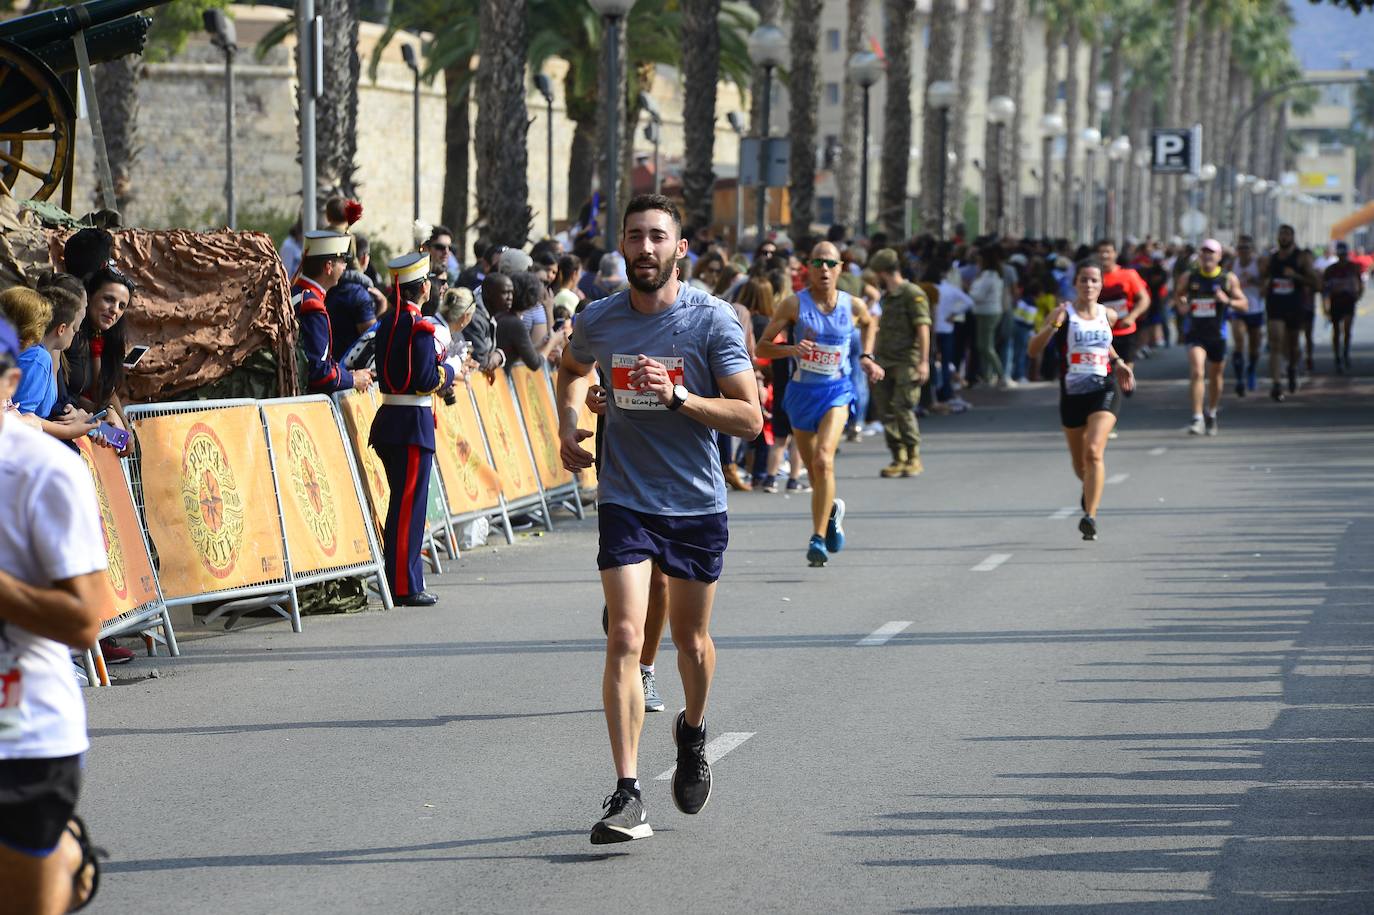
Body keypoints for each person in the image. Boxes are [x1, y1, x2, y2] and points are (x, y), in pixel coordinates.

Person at [555, 194, 760, 844]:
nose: (645, 249)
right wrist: (570, 423)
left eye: (657, 238)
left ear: (680, 250)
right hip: (625, 497)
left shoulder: (711, 321)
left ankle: (692, 729)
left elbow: (750, 418)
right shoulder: (601, 318)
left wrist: (679, 396)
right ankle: (627, 790)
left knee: (690, 643)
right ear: (621, 244)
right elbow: (570, 369)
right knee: (623, 633)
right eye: (635, 236)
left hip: (696, 501)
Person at [0, 315, 112, 914]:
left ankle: (62, 859)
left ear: (9, 383)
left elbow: (82, 619)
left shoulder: (44, 472)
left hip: (19, 731)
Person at [755, 241, 883, 567]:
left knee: (824, 460)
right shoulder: (793, 305)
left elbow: (870, 322)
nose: (823, 269)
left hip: (837, 392)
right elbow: (763, 347)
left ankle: (817, 538)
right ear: (808, 269)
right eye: (817, 263)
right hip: (801, 395)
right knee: (814, 471)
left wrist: (866, 356)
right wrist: (791, 351)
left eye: (829, 263)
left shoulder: (852, 306)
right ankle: (831, 514)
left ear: (840, 268)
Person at [369, 253, 463, 607]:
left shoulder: (388, 322)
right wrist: (450, 369)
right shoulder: (418, 326)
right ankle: (405, 585)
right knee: (409, 506)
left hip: (391, 419)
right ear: (423, 287)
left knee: (401, 504)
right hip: (412, 424)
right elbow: (424, 379)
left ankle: (399, 579)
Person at [1027, 261, 1136, 542]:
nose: (1089, 285)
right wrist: (1052, 326)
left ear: (1101, 286)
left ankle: (1091, 516)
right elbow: (1032, 350)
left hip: (1104, 388)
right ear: (1075, 284)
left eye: (1094, 281)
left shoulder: (1108, 314)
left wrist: (1119, 363)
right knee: (1080, 465)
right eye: (1084, 280)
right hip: (1073, 394)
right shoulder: (1063, 313)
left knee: (1094, 451)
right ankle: (1089, 486)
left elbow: (1104, 344)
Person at [868, 248, 931, 478]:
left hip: (907, 360)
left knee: (903, 408)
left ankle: (914, 456)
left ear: (883, 272)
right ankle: (898, 456)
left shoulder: (912, 293)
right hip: (885, 360)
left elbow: (923, 328)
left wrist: (924, 362)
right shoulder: (885, 298)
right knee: (886, 410)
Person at [1175, 239, 1246, 436]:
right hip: (1195, 333)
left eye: (1212, 253)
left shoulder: (1227, 279)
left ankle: (1212, 412)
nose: (1207, 256)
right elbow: (1178, 297)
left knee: (1216, 375)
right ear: (1199, 255)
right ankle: (1197, 417)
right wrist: (1182, 305)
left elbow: (1244, 304)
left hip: (1218, 334)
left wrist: (1227, 300)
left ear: (1219, 256)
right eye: (1204, 252)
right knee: (1197, 370)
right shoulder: (1189, 277)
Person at [294, 231, 373, 396]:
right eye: (342, 261)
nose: (345, 267)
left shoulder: (297, 292)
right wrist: (353, 380)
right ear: (328, 266)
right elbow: (319, 372)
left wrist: (347, 375)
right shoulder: (312, 306)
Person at [1263, 224, 1318, 401]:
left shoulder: (1302, 257)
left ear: (1293, 237)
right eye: (1281, 234)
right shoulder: (1272, 258)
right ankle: (1276, 385)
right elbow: (1264, 278)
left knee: (1293, 346)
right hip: (1275, 305)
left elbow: (1315, 283)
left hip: (1294, 305)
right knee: (1276, 342)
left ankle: (1293, 368)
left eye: (1287, 234)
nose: (1284, 237)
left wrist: (1296, 276)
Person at [1095, 238, 1151, 387]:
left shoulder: (1129, 274)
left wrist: (1132, 317)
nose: (1104, 256)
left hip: (1125, 331)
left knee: (1124, 381)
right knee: (1107, 377)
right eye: (1101, 252)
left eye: (1108, 252)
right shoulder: (1093, 277)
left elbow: (1144, 299)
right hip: (1102, 332)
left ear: (1115, 254)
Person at [968, 247, 1010, 388]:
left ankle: (1000, 374)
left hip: (987, 312)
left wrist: (968, 290)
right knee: (983, 346)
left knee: (986, 346)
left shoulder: (988, 276)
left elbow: (978, 295)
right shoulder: (994, 275)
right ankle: (988, 376)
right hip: (988, 312)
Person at [1230, 235, 1264, 396]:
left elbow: (1267, 283)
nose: (1243, 252)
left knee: (1254, 346)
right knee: (1239, 341)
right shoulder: (1232, 264)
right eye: (1241, 248)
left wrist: (1254, 280)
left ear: (1252, 250)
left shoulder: (1258, 264)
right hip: (1238, 310)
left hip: (1255, 309)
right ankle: (1239, 379)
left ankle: (1251, 370)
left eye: (1246, 248)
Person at [1322, 241, 1363, 373]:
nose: (1342, 258)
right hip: (1336, 302)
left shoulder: (1353, 267)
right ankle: (1337, 356)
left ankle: (1345, 352)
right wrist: (1325, 307)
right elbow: (1325, 290)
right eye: (1340, 255)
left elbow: (1360, 283)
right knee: (1336, 331)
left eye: (1344, 255)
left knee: (1347, 329)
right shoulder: (1330, 270)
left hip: (1349, 302)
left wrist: (1359, 295)